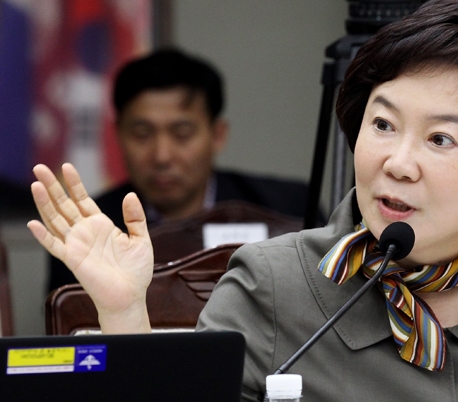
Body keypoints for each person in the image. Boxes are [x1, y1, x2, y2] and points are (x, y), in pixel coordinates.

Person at [28, 0, 458, 401]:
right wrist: (126, 316)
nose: (397, 162)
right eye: (382, 125)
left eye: (440, 139)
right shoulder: (271, 286)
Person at [47, 48, 312, 291]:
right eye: (142, 134)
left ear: (217, 135)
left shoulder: (290, 210)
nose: (162, 156)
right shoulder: (87, 230)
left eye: (182, 134)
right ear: (118, 136)